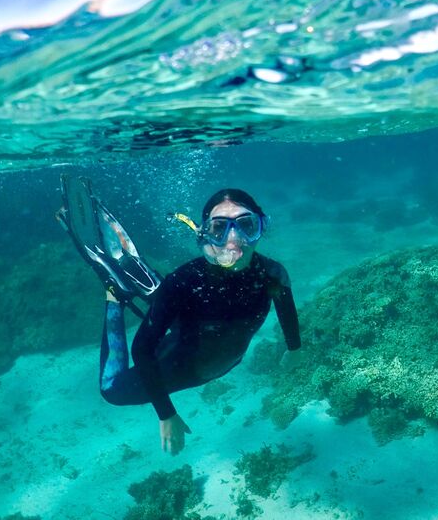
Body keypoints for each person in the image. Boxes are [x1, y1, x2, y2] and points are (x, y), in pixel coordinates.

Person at [57, 177, 301, 455]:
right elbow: (142, 348)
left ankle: (151, 289)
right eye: (219, 229)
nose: (234, 240)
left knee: (177, 305)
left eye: (246, 225)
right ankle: (115, 297)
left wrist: (295, 349)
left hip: (201, 328)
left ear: (261, 227)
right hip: (185, 362)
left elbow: (286, 310)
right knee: (112, 390)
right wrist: (166, 414)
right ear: (205, 235)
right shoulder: (183, 281)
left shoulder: (273, 274)